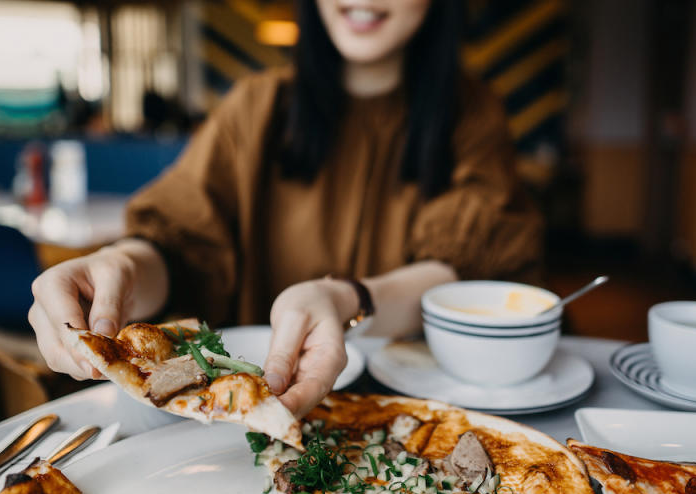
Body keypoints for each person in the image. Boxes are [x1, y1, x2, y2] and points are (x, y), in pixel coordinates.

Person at [28, 0, 543, 418]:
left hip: (414, 414)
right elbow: (182, 247)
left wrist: (349, 299)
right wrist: (122, 267)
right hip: (243, 422)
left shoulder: (472, 114)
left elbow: (465, 272)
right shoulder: (255, 108)